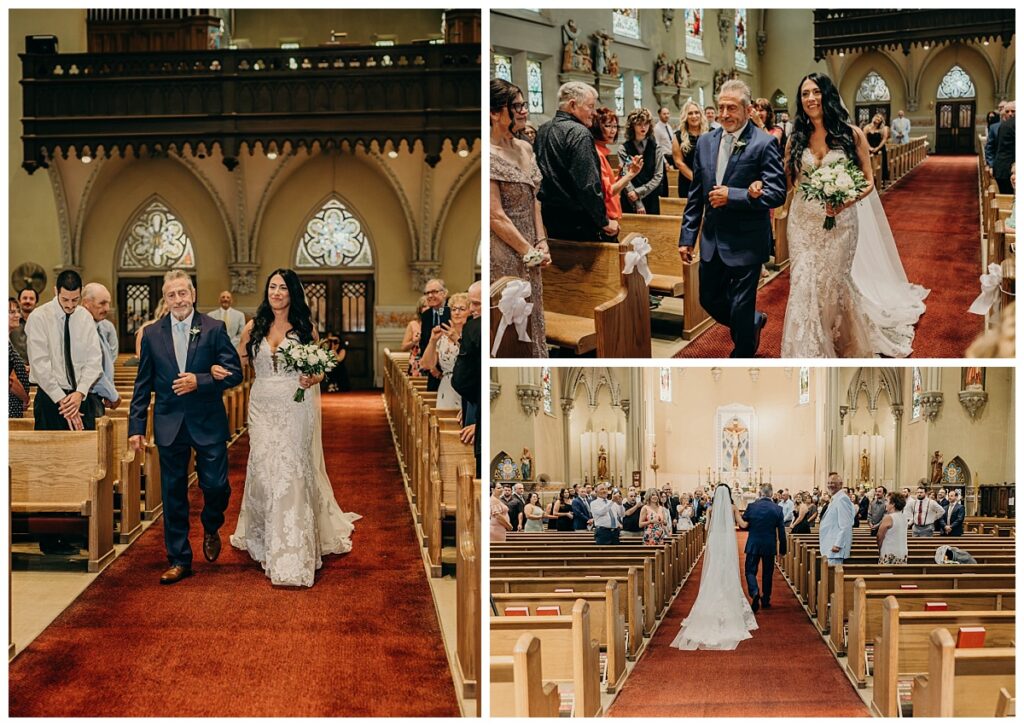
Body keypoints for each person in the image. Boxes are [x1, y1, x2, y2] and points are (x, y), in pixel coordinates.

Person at [227, 269, 359, 587]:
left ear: (292, 294)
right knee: (262, 467)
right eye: (272, 287)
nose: (276, 292)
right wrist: (218, 369)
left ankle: (292, 546)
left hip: (294, 406)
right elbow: (239, 364)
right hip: (261, 407)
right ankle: (262, 537)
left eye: (282, 288)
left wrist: (310, 378)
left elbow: (318, 372)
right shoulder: (252, 327)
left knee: (291, 470)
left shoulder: (304, 329)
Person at [778, 72, 922, 358]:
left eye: (816, 92)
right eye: (805, 94)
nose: (810, 98)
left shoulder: (851, 134)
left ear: (827, 95)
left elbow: (869, 181)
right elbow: (788, 181)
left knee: (831, 283)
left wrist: (844, 200)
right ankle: (809, 349)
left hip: (840, 223)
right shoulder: (795, 138)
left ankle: (838, 341)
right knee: (804, 282)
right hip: (803, 221)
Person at [129, 270, 243, 584]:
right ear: (165, 300)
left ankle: (210, 524)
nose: (178, 300)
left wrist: (201, 380)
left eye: (183, 293)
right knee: (173, 493)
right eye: (171, 295)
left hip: (207, 420)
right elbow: (143, 385)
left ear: (192, 294)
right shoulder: (152, 334)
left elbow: (235, 373)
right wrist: (136, 426)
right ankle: (179, 559)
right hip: (169, 423)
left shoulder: (213, 329)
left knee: (216, 487)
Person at [680, 79, 783, 357]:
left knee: (740, 303)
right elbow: (696, 195)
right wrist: (687, 237)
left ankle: (742, 355)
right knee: (708, 299)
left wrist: (734, 196)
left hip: (747, 240)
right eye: (721, 107)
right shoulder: (705, 142)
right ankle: (750, 323)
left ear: (748, 109)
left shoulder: (764, 144)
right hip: (712, 239)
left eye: (732, 108)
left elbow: (776, 193)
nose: (724, 114)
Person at [490, 78, 550, 357]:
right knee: (512, 319)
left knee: (533, 314)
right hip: (505, 252)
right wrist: (528, 251)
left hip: (531, 249)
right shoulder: (489, 155)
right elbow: (495, 216)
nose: (525, 111)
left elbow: (535, 198)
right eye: (517, 106)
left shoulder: (525, 147)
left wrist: (541, 241)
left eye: (524, 104)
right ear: (494, 112)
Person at [671, 484, 758, 649]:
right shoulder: (732, 507)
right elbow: (744, 525)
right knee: (728, 570)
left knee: (714, 570)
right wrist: (755, 519)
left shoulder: (711, 509)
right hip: (727, 540)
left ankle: (709, 608)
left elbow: (706, 528)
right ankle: (730, 609)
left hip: (716, 539)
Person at [536, 81, 617, 241]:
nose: (594, 113)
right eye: (590, 106)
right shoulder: (579, 133)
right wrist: (603, 221)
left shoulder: (543, 129)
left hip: (551, 219)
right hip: (580, 223)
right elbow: (588, 184)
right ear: (573, 105)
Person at [25, 269, 103, 433]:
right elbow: (39, 364)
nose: (69, 305)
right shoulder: (39, 317)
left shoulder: (85, 317)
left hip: (80, 398)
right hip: (50, 399)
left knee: (84, 455)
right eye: (65, 299)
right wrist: (62, 401)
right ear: (56, 291)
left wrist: (80, 394)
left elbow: (94, 360)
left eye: (75, 300)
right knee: (50, 456)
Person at [591, 106, 643, 241]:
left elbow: (607, 185)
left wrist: (621, 175)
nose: (613, 131)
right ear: (596, 126)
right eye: (608, 126)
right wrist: (631, 174)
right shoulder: (597, 153)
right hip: (606, 220)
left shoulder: (601, 151)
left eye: (615, 126)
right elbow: (608, 192)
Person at [419, 291, 469, 410]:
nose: (457, 313)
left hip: (467, 386)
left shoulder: (474, 335)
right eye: (453, 309)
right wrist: (432, 341)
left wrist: (457, 339)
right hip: (446, 387)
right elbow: (426, 365)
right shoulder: (443, 337)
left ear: (470, 311)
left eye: (462, 309)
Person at [452, 282, 481, 476]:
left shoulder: (475, 329)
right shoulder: (474, 328)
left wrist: (479, 422)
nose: (471, 310)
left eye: (476, 304)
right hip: (471, 402)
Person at [742, 483, 786, 612]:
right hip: (769, 544)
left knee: (750, 570)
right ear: (771, 494)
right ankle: (766, 599)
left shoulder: (752, 506)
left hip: (753, 543)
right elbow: (782, 532)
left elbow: (744, 523)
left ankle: (755, 592)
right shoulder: (777, 509)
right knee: (768, 573)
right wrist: (782, 549)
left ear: (760, 493)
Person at [80, 283, 121, 418]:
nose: (107, 308)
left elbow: (106, 363)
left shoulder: (99, 327)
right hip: (87, 399)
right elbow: (93, 372)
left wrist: (108, 391)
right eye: (102, 303)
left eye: (108, 303)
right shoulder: (83, 329)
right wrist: (113, 395)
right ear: (86, 303)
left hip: (96, 398)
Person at [618, 107, 664, 215]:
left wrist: (638, 192)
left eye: (646, 123)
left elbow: (658, 176)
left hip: (650, 196)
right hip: (629, 198)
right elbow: (625, 175)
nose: (643, 127)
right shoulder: (625, 149)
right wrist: (637, 202)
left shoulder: (656, 148)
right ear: (632, 126)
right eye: (639, 124)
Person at [417, 278, 450, 392]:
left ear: (444, 293)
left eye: (434, 292)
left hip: (451, 370)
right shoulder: (426, 315)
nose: (430, 295)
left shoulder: (453, 311)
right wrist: (432, 368)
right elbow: (424, 343)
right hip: (432, 371)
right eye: (427, 293)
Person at [818, 472, 854, 566]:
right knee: (828, 577)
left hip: (834, 549)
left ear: (840, 484)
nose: (830, 485)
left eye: (833, 483)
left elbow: (846, 525)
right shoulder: (835, 498)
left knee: (833, 577)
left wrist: (838, 544)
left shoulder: (842, 499)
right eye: (829, 483)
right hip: (830, 546)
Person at [675, 100, 708, 200]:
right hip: (687, 182)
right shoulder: (678, 136)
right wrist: (696, 179)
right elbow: (678, 162)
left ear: (701, 115)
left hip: (708, 180)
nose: (694, 116)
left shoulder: (711, 134)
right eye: (690, 113)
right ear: (685, 117)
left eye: (697, 112)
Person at [8, 298, 30, 418]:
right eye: (11, 312)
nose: (18, 315)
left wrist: (22, 368)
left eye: (17, 311)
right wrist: (25, 398)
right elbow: (10, 381)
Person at [653, 106, 679, 199]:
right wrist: (665, 161)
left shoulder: (668, 126)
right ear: (659, 115)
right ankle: (666, 199)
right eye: (664, 114)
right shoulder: (657, 128)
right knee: (665, 182)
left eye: (668, 113)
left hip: (672, 155)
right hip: (664, 157)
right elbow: (658, 146)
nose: (666, 116)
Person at [875, 491, 908, 564]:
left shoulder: (889, 518)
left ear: (893, 504)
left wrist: (880, 548)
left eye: (887, 501)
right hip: (902, 551)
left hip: (889, 551)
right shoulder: (904, 517)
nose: (885, 503)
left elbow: (879, 536)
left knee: (886, 574)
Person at [992, 101, 1015, 195]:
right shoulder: (1011, 124)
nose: (1010, 114)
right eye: (1007, 111)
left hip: (1003, 168)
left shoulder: (1006, 124)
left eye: (1013, 111)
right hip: (1007, 169)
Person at [401, 296, 428, 375]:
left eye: (429, 306)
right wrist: (415, 341)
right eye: (424, 306)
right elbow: (403, 347)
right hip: (416, 363)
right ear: (420, 309)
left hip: (432, 363)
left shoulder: (438, 324)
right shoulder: (413, 324)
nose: (427, 308)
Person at [10, 287, 36, 363]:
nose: (28, 301)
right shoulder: (10, 321)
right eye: (25, 298)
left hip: (36, 370)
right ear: (19, 301)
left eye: (31, 299)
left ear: (36, 302)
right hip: (13, 370)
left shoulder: (42, 323)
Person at [863, 113, 890, 184]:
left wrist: (877, 148)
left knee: (881, 164)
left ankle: (881, 179)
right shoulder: (866, 127)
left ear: (881, 121)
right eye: (876, 117)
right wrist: (869, 147)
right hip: (869, 148)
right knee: (869, 164)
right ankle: (870, 179)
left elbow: (884, 139)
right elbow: (864, 139)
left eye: (880, 118)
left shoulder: (884, 128)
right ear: (873, 118)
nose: (877, 119)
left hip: (880, 148)